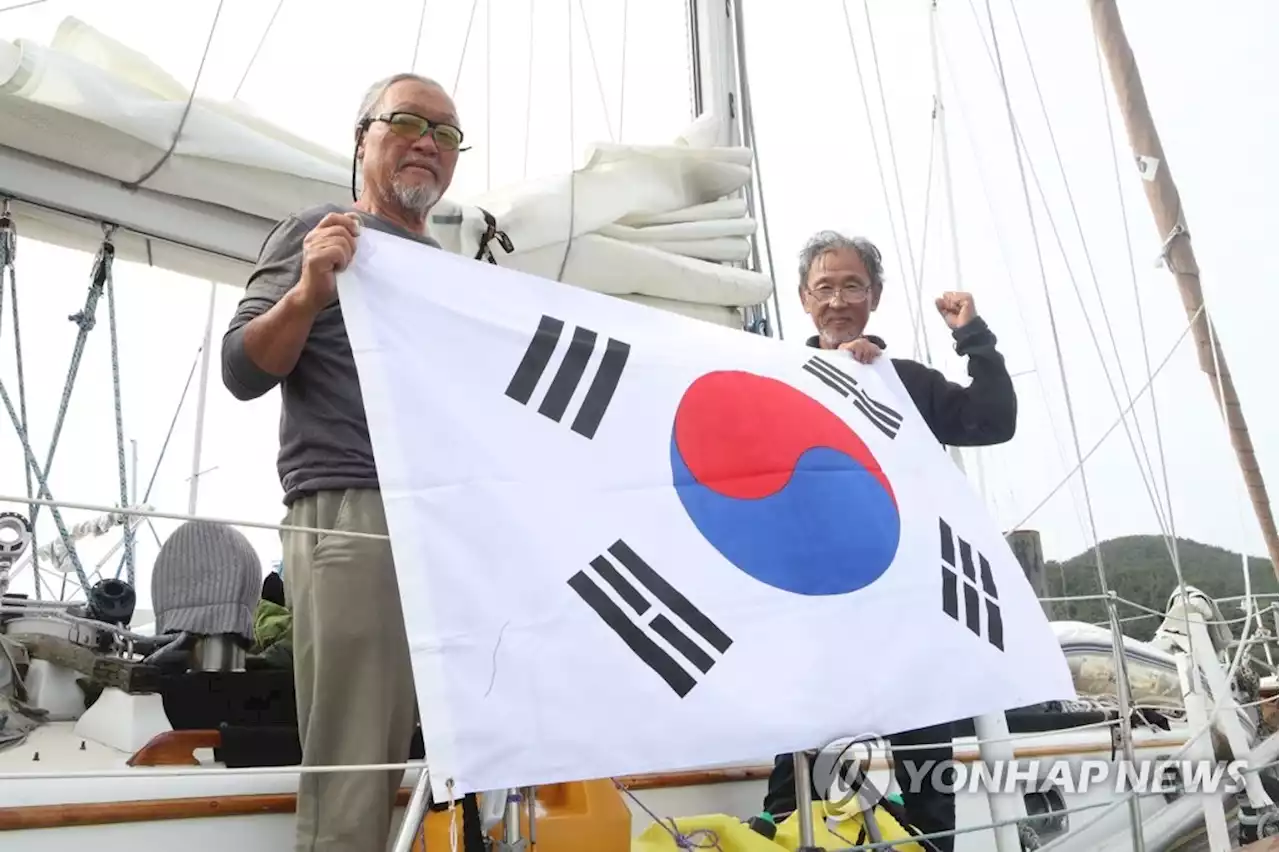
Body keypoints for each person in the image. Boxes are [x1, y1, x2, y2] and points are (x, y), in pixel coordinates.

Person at [220, 72, 463, 852]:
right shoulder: (315, 231)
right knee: (357, 755)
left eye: (447, 134)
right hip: (359, 510)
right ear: (362, 139)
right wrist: (309, 291)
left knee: (466, 742)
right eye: (408, 122)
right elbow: (242, 369)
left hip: (449, 521)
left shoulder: (457, 274)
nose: (429, 142)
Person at [760, 231, 1018, 851]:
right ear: (803, 299)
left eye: (852, 285)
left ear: (873, 296)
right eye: (824, 287)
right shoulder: (775, 379)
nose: (838, 299)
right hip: (816, 608)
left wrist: (973, 335)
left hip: (908, 611)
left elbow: (994, 419)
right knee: (793, 777)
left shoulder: (905, 384)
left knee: (927, 777)